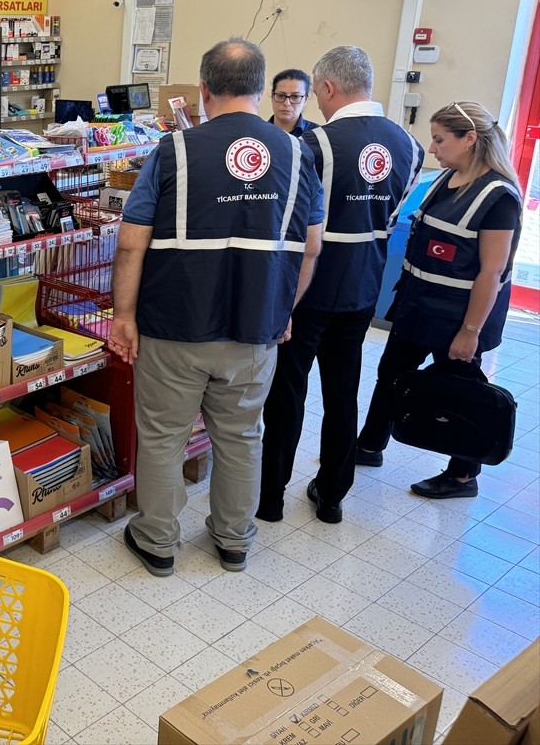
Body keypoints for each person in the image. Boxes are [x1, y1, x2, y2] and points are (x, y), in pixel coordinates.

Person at [109, 38, 323, 576]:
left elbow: (131, 243)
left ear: (203, 90)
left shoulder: (173, 152)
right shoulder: (298, 154)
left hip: (173, 327)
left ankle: (158, 542)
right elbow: (311, 247)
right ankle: (234, 540)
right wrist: (284, 309)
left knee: (163, 438)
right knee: (242, 436)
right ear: (262, 89)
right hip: (255, 329)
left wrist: (124, 317)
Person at [258, 46, 424, 524]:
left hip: (309, 285)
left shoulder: (314, 145)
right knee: (343, 389)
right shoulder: (410, 146)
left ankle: (270, 498)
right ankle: (332, 495)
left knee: (287, 391)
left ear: (328, 87)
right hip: (366, 282)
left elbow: (291, 221)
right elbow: (390, 214)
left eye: (316, 92)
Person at [355, 101, 523, 498]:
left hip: (458, 318)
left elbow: (491, 272)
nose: (432, 148)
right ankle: (369, 446)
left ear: (469, 139)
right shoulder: (445, 180)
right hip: (417, 306)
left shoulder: (498, 197)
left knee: (460, 392)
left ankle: (463, 475)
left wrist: (470, 332)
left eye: (439, 139)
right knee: (391, 376)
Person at [268, 68, 318, 137]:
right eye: (281, 95)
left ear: (305, 100)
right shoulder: (257, 132)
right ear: (272, 96)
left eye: (295, 96)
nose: (287, 103)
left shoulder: (317, 136)